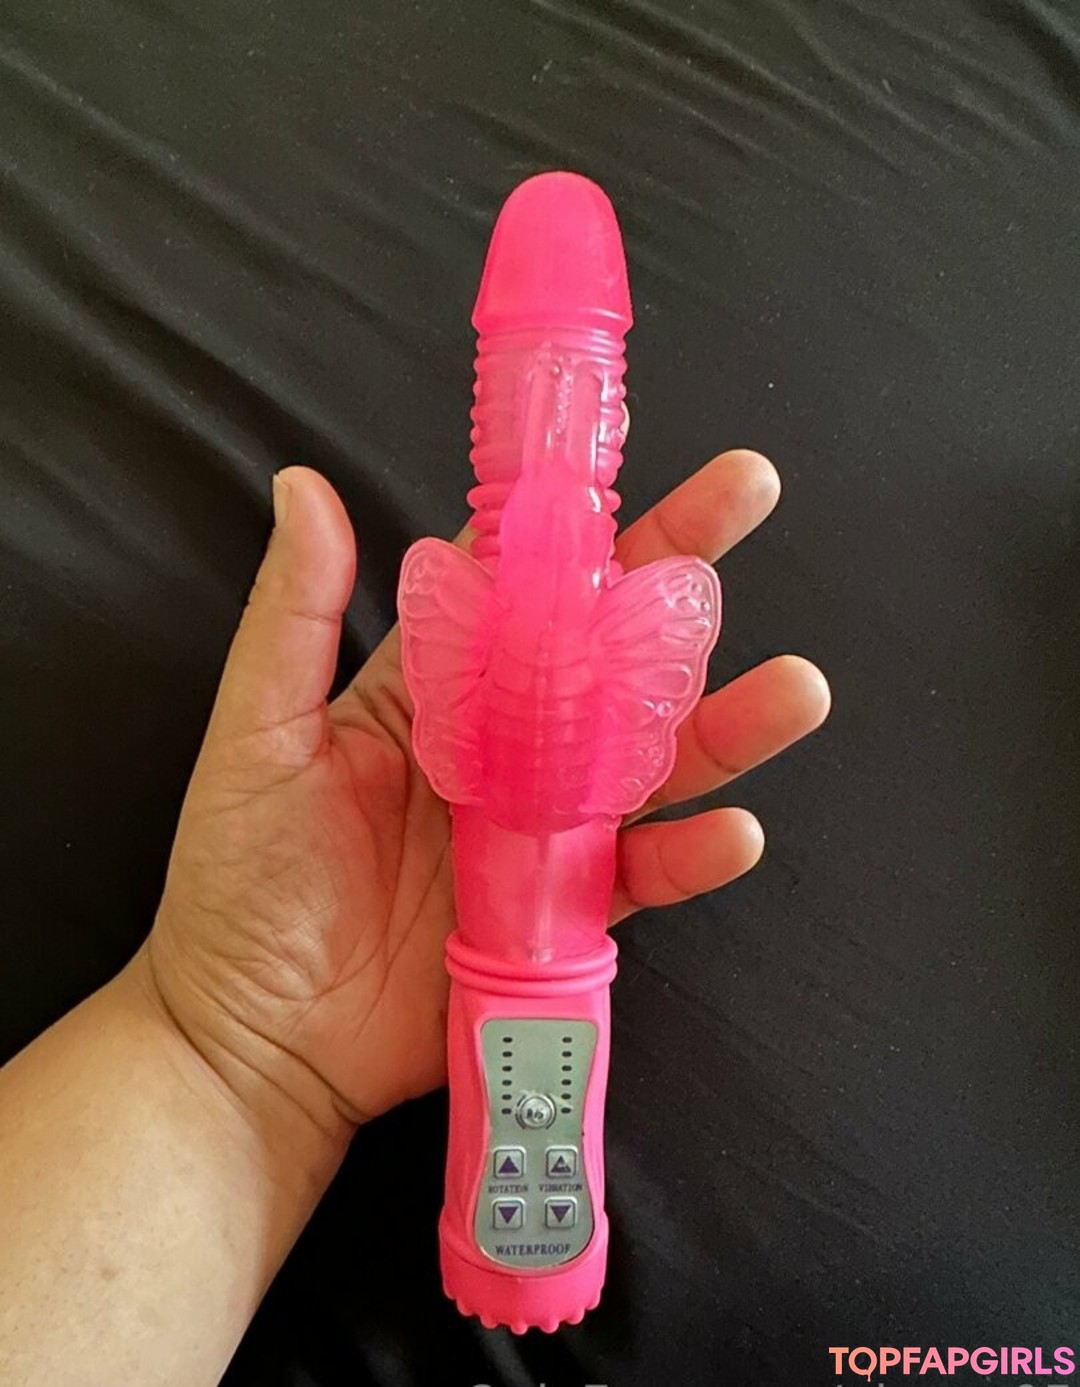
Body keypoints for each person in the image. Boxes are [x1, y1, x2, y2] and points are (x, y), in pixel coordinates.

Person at [0, 453, 829, 1386]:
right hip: (517, 928)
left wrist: (226, 1057)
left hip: (545, 927)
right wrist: (224, 1043)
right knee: (533, 1109)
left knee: (533, 1103)